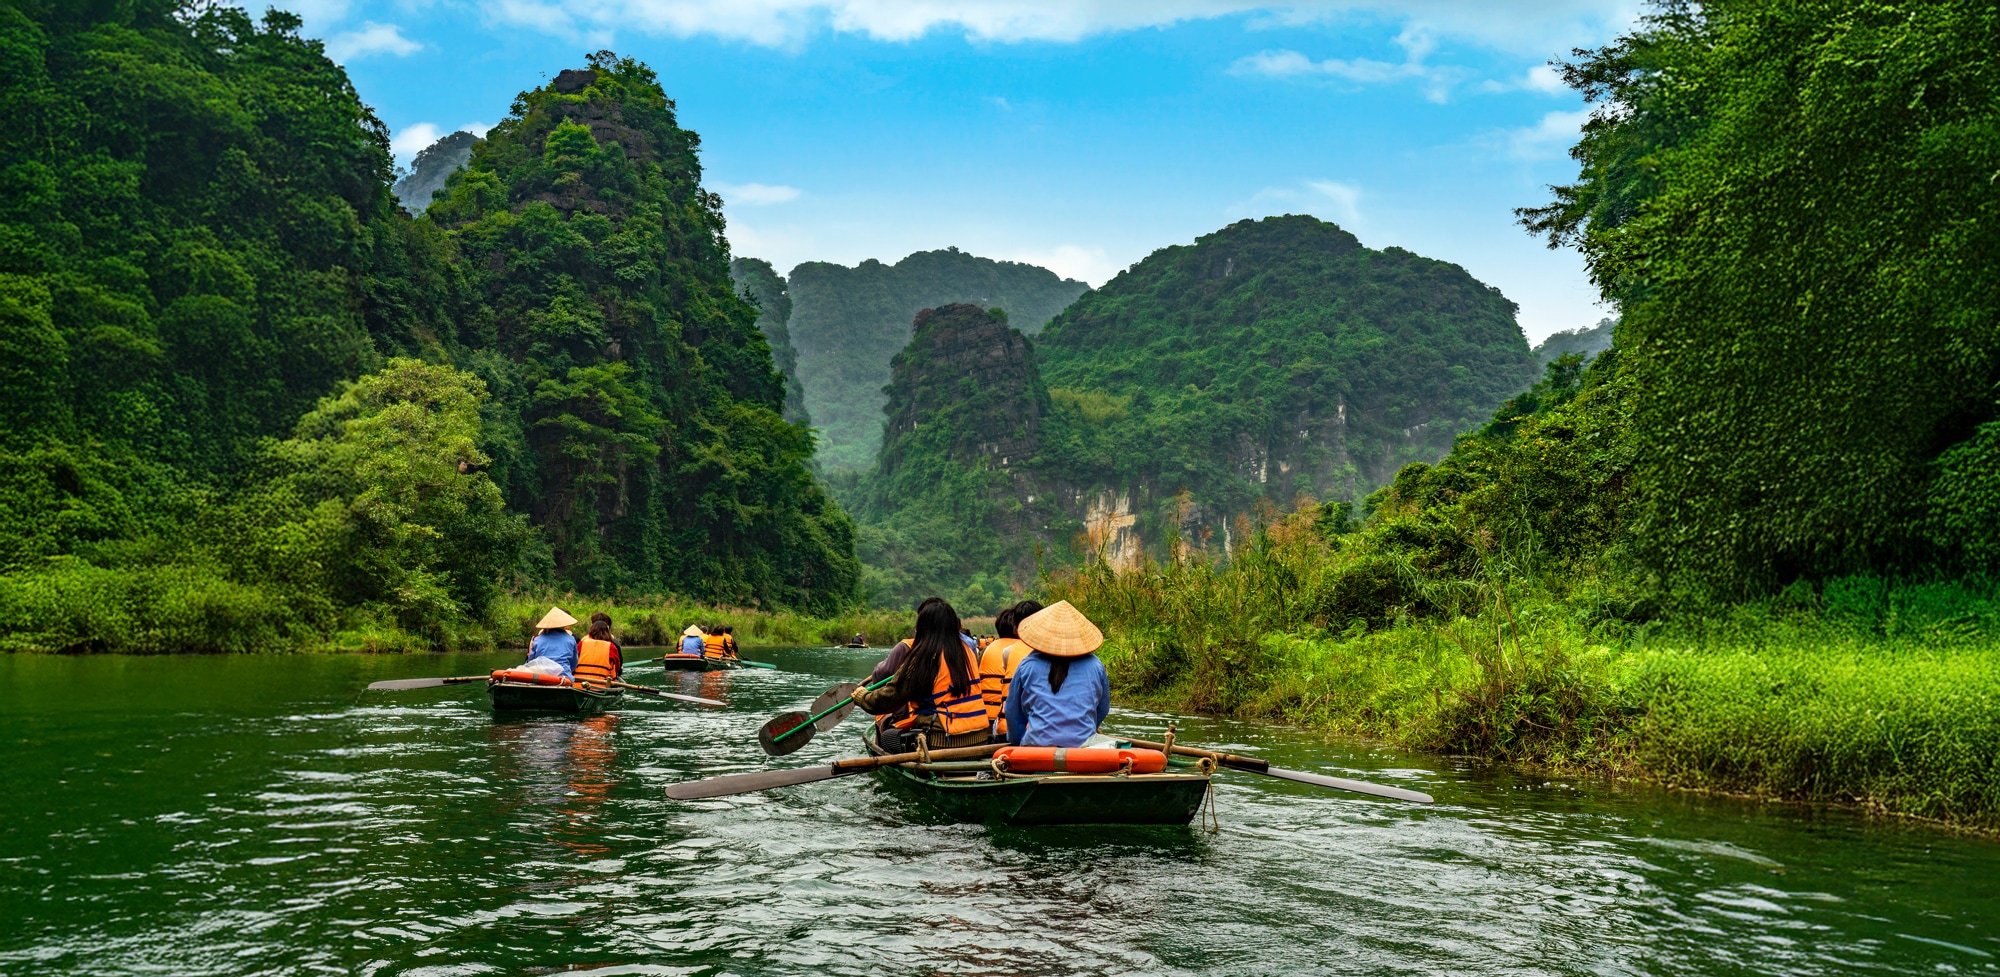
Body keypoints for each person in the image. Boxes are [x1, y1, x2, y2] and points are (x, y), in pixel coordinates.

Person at [852, 597, 987, 751]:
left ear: (923, 627)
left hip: (941, 743)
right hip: (980, 740)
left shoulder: (925, 657)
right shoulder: (969, 651)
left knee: (887, 738)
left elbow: (890, 698)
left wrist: (862, 697)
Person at [1004, 601, 1110, 747]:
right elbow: (1103, 708)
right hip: (1083, 750)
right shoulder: (1095, 664)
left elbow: (1012, 712)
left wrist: (1018, 742)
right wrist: (1087, 729)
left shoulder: (1027, 665)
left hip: (1037, 749)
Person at [980, 600, 1042, 739]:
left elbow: (1012, 704)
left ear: (1016, 627)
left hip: (999, 723)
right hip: (1040, 732)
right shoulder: (1055, 653)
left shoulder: (1003, 651)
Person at [526, 607, 580, 677]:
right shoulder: (571, 639)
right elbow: (574, 663)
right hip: (563, 675)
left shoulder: (538, 639)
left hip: (542, 676)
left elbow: (531, 660)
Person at [574, 614, 623, 686]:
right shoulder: (611, 646)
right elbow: (618, 667)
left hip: (579, 684)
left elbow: (573, 660)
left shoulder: (582, 643)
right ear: (607, 630)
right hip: (601, 685)